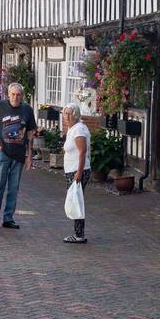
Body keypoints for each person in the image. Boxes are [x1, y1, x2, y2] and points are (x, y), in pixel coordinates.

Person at [0, 83, 36, 230]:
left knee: (13, 188)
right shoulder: (0, 106)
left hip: (19, 155)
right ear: (8, 94)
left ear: (22, 96)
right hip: (3, 154)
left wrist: (29, 155)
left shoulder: (27, 110)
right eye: (13, 94)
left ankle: (8, 218)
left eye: (18, 95)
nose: (15, 97)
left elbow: (30, 133)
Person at [61, 102, 91, 244]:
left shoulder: (78, 129)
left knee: (76, 201)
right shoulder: (74, 128)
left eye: (69, 114)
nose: (66, 116)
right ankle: (78, 233)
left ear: (75, 115)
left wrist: (78, 173)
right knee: (75, 200)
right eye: (65, 113)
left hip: (77, 171)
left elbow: (82, 151)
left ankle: (79, 235)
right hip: (73, 170)